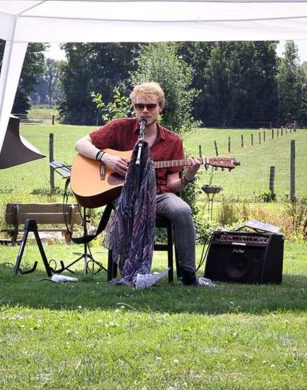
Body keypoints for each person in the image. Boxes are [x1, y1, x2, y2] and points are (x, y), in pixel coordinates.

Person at [74, 82, 210, 286]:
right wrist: (105, 158)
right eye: (139, 106)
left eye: (150, 106)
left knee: (182, 210)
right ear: (134, 108)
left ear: (160, 107)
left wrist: (189, 174)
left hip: (159, 194)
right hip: (126, 194)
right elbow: (80, 143)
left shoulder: (173, 141)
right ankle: (128, 270)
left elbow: (174, 184)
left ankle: (188, 274)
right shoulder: (120, 128)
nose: (144, 111)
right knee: (127, 208)